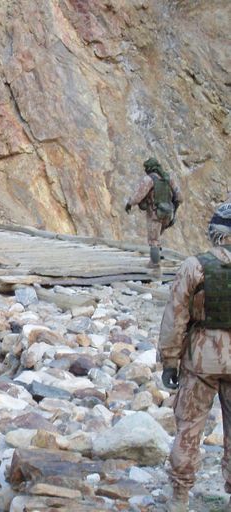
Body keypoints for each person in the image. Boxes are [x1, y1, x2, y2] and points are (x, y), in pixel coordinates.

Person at [158, 201, 231, 512]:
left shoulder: (194, 266)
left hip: (200, 360)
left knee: (188, 429)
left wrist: (169, 361)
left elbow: (175, 317)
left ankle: (180, 497)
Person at [125, 157, 182, 268]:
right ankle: (158, 256)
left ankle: (154, 263)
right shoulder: (168, 178)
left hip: (155, 213)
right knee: (158, 236)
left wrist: (129, 204)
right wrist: (174, 211)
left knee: (154, 239)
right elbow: (179, 197)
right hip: (168, 213)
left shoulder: (149, 180)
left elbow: (138, 196)